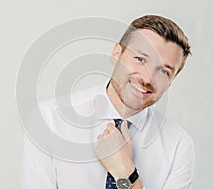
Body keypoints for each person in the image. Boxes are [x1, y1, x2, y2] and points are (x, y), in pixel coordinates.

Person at [21, 15, 195, 189]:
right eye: (140, 59)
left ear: (171, 82)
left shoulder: (178, 146)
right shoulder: (49, 120)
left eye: (163, 71)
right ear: (116, 54)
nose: (147, 78)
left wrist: (125, 172)